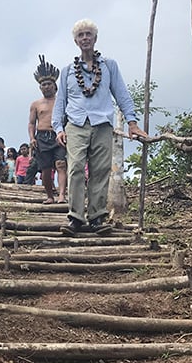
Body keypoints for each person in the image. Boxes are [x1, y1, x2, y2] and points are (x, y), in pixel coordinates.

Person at [52, 19, 148, 235]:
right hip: (76, 124)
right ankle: (75, 217)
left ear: (95, 39)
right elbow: (61, 102)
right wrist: (59, 127)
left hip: (103, 123)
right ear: (76, 41)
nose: (85, 38)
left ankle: (96, 217)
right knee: (75, 167)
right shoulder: (67, 70)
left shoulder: (109, 66)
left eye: (88, 34)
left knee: (100, 169)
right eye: (81, 35)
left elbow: (121, 94)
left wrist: (132, 123)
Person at [28, 55, 67, 204]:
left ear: (55, 85)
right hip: (42, 137)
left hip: (58, 135)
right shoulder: (36, 104)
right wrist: (32, 138)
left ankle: (62, 195)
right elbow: (31, 123)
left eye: (49, 83)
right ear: (40, 87)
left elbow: (68, 118)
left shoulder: (62, 102)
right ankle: (50, 196)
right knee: (45, 169)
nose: (46, 86)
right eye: (43, 84)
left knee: (61, 164)